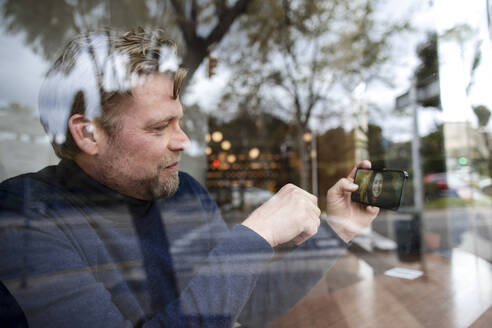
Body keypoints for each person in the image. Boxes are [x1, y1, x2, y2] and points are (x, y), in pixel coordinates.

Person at [0, 28, 379, 327]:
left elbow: (248, 304)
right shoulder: (23, 218)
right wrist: (254, 237)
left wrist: (339, 231)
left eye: (179, 121)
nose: (184, 141)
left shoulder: (185, 195)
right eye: (161, 126)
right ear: (88, 134)